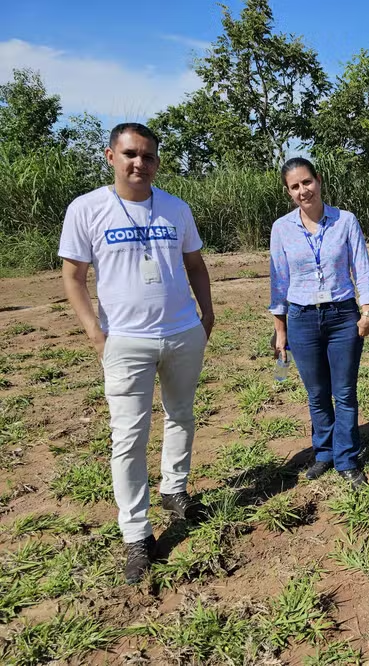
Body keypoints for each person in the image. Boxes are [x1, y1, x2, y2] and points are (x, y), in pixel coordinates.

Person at [59, 123, 215, 584]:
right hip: (124, 339)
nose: (138, 163)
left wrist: (206, 318)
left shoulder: (175, 208)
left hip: (183, 332)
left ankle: (176, 489)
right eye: (129, 154)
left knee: (181, 415)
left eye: (147, 156)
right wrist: (94, 331)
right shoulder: (87, 209)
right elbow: (73, 276)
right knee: (128, 436)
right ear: (110, 156)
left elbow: (195, 266)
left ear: (157, 162)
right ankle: (136, 532)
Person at [269, 157, 369, 489]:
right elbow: (278, 280)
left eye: (307, 182)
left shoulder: (345, 221)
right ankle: (324, 453)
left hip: (342, 315)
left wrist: (367, 310)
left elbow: (361, 266)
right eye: (295, 186)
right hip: (302, 318)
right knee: (317, 393)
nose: (304, 191)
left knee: (344, 392)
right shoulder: (281, 228)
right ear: (288, 192)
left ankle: (346, 458)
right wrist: (280, 328)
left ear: (318, 180)